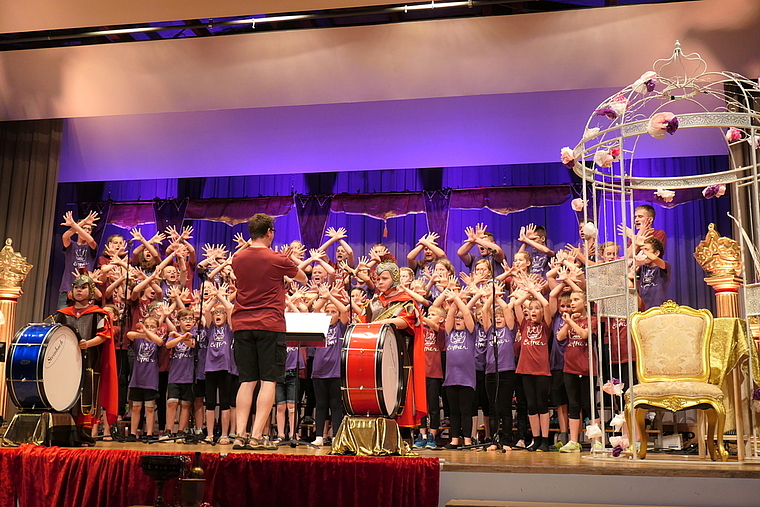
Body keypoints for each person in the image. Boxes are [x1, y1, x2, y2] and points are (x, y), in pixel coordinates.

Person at [232, 214, 307, 450]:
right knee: (268, 381)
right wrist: (283, 278)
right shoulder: (276, 258)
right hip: (269, 324)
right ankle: (256, 437)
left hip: (242, 324)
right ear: (269, 233)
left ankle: (239, 435)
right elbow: (303, 278)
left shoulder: (237, 257)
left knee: (246, 381)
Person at [358, 259, 427, 432]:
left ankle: (401, 437)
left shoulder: (406, 301)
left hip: (398, 355)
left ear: (394, 279)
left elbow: (404, 321)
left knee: (397, 395)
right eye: (377, 279)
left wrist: (379, 323)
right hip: (374, 357)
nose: (380, 282)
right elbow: (361, 322)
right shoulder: (373, 302)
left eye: (384, 279)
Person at [54, 274, 118, 445]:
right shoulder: (62, 314)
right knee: (66, 394)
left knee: (86, 396)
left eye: (83, 288)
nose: (79, 291)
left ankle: (84, 434)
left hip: (89, 362)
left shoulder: (99, 314)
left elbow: (104, 336)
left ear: (90, 291)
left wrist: (87, 344)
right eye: (76, 287)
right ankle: (66, 432)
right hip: (66, 364)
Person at [161, 308, 196, 441]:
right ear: (178, 322)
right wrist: (181, 337)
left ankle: (181, 431)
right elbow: (169, 345)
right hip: (175, 375)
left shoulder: (195, 333)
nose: (188, 321)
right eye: (185, 319)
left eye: (190, 319)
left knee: (186, 404)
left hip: (188, 375)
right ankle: (168, 430)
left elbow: (193, 344)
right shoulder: (173, 334)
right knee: (172, 402)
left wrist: (181, 338)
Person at [635, 237, 670, 310]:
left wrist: (643, 246)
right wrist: (636, 245)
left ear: (656, 253)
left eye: (647, 250)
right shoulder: (642, 267)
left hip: (658, 308)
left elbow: (654, 259)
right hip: (643, 309)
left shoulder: (664, 265)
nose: (643, 253)